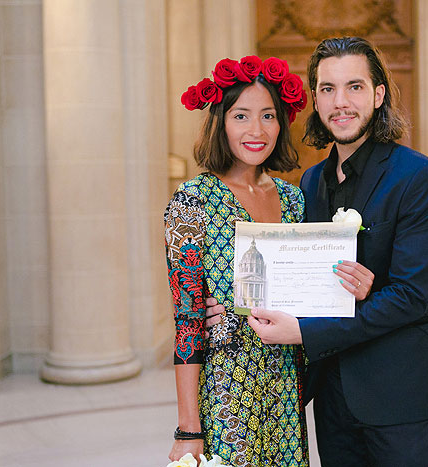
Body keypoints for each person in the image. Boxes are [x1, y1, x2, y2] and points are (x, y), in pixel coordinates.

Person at [207, 37, 428, 467]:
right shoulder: (309, 183)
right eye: (327, 89)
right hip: (330, 396)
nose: (341, 102)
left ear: (378, 95)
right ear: (316, 102)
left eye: (354, 87)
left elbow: (410, 298)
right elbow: (294, 277)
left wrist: (308, 331)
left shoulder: (421, 177)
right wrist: (228, 306)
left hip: (397, 394)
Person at [164, 55, 312, 467]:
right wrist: (188, 429)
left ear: (281, 123)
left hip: (284, 389)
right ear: (220, 123)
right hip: (225, 392)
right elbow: (187, 321)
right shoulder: (191, 202)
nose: (256, 130)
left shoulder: (294, 200)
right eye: (241, 115)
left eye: (268, 115)